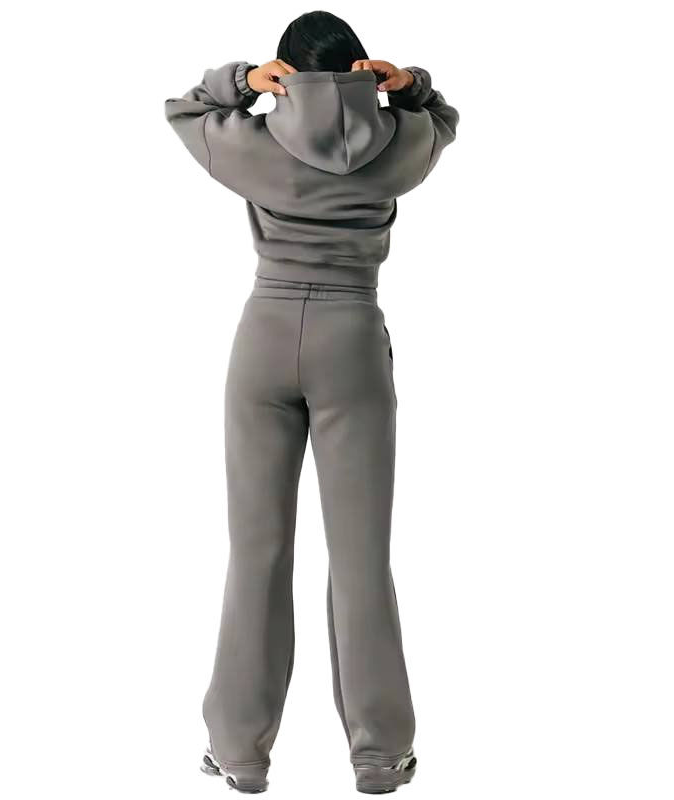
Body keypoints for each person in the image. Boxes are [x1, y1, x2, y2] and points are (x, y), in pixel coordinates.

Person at [164, 10, 459, 795]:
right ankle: (380, 754)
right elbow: (444, 117)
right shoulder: (401, 144)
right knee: (361, 559)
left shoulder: (250, 144)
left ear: (285, 74)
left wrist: (242, 81)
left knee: (256, 550)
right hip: (351, 337)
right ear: (364, 70)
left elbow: (184, 108)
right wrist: (408, 84)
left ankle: (239, 751)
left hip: (263, 338)